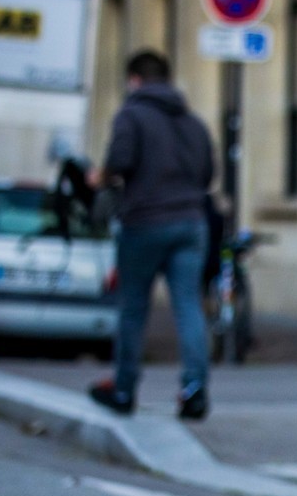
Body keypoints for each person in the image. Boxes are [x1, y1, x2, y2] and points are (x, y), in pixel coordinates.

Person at [87, 49, 215, 421]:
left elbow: (121, 161)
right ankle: (194, 391)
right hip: (191, 223)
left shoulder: (132, 115)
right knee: (189, 306)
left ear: (135, 80)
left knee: (133, 308)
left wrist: (101, 176)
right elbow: (208, 173)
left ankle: (124, 388)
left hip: (144, 222)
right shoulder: (194, 123)